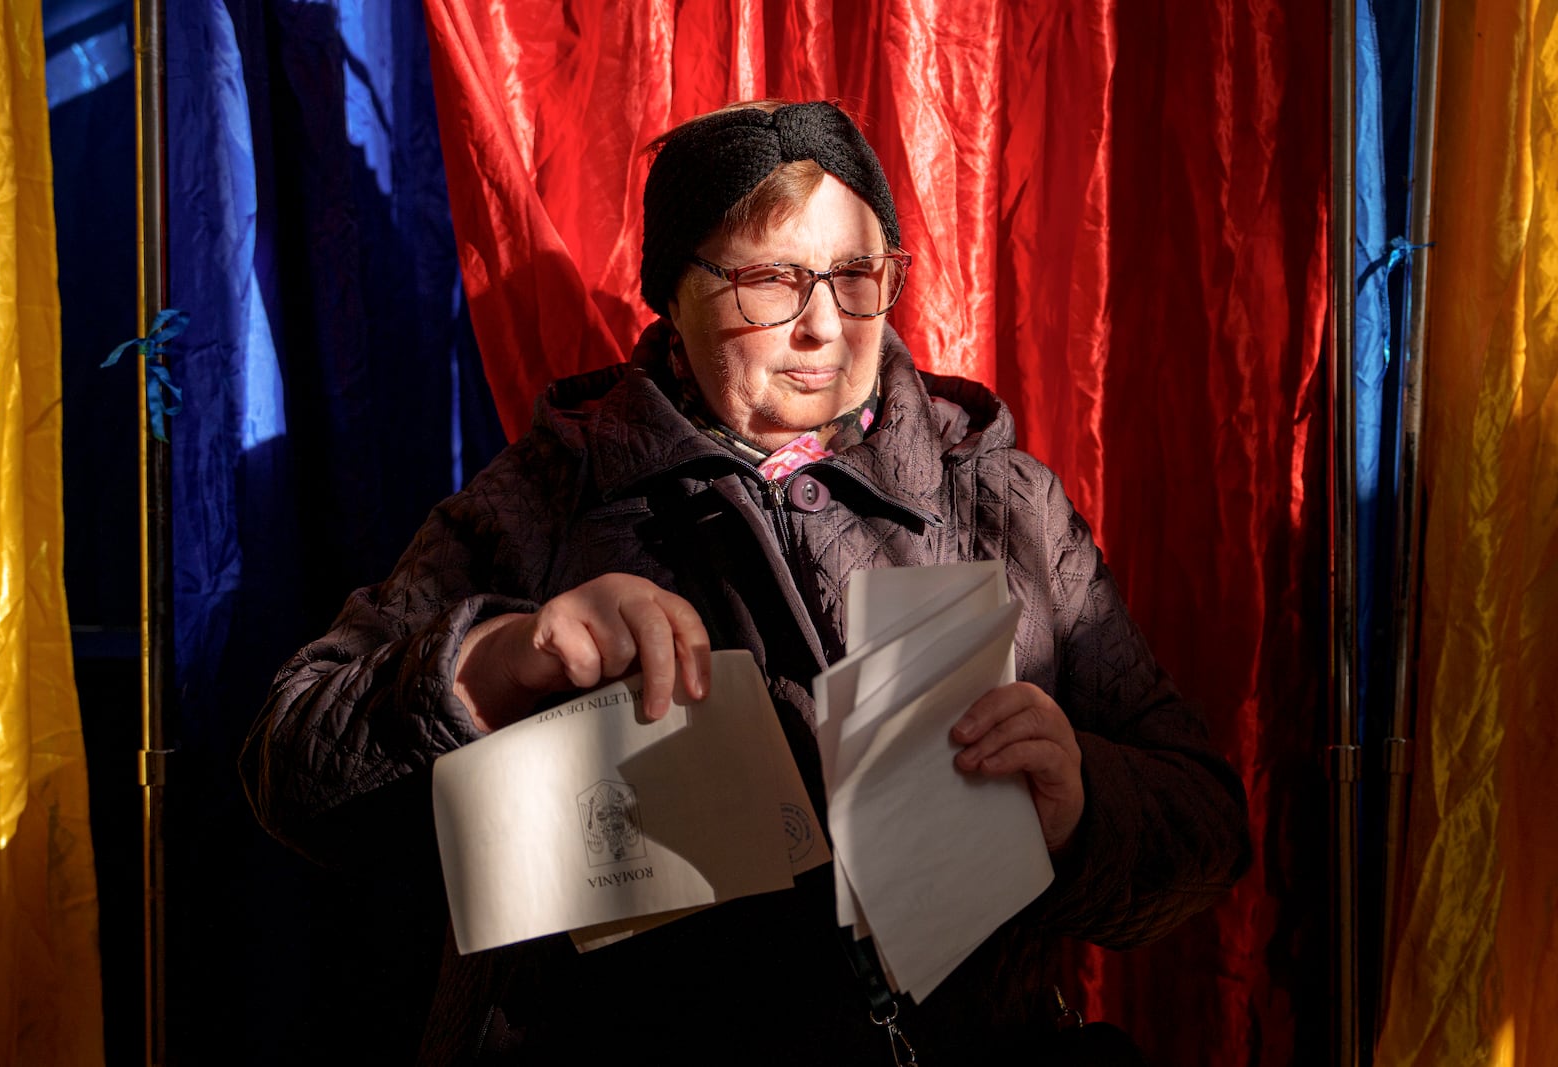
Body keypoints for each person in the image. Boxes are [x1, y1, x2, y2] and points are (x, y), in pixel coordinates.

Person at [241, 99, 1250, 1065]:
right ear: (670, 296)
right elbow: (294, 769)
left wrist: (1081, 800)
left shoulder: (1001, 496)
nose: (823, 325)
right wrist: (499, 658)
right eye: (770, 279)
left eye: (858, 274)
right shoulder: (546, 496)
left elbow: (1204, 827)